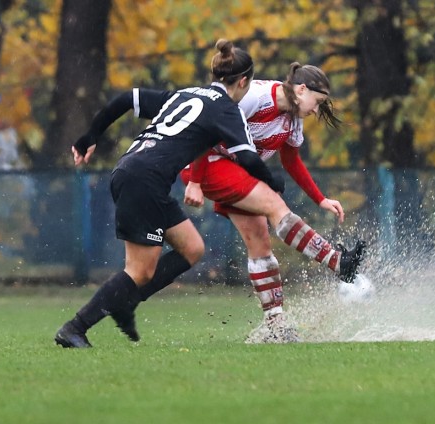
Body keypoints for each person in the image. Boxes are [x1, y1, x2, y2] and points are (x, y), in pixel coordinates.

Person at [54, 39, 285, 348]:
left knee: (191, 248)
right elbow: (247, 157)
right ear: (243, 81)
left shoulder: (185, 94)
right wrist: (274, 183)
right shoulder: (227, 110)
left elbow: (126, 98)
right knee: (140, 270)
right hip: (144, 180)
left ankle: (125, 302)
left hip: (132, 170)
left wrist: (90, 136)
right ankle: (76, 327)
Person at [171, 63, 364, 343]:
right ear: (301, 90)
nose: (315, 110)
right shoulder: (256, 96)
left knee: (260, 240)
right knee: (275, 206)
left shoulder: (293, 118)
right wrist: (196, 181)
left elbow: (291, 160)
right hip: (207, 162)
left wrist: (320, 199)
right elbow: (208, 132)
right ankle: (337, 262)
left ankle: (276, 328)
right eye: (317, 102)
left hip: (235, 170)